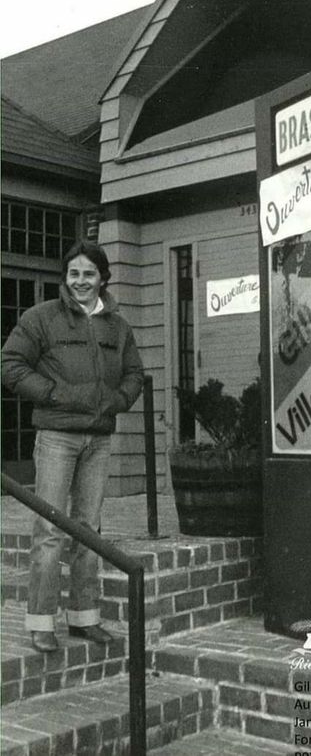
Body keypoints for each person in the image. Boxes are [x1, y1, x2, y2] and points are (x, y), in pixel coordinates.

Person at [2, 240, 144, 652]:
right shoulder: (41, 318)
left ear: (103, 278)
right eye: (74, 274)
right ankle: (42, 621)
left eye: (89, 274)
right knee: (49, 529)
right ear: (66, 278)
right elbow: (9, 365)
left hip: (98, 439)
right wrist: (52, 393)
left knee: (89, 529)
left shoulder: (118, 326)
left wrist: (118, 401)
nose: (81, 281)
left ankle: (84, 618)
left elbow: (134, 372)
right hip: (57, 437)